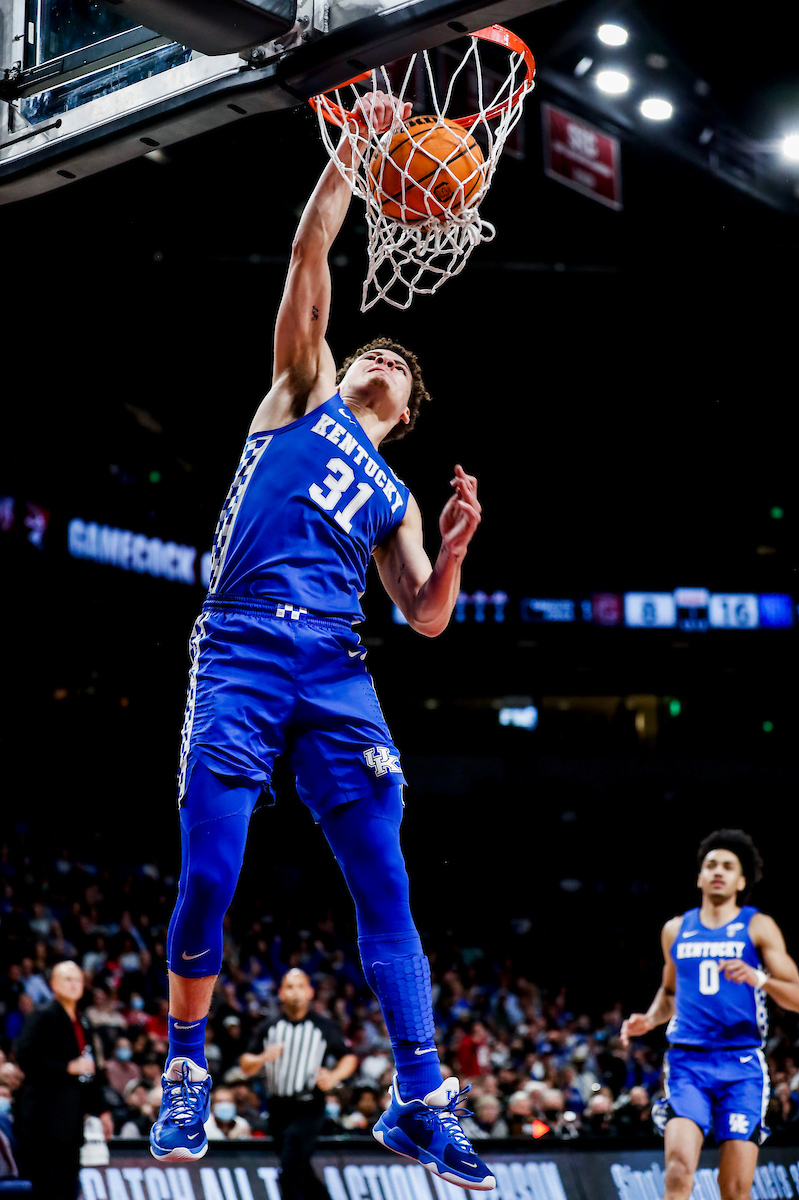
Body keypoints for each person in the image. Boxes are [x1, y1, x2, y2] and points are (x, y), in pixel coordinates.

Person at [147, 89, 492, 1190]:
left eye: (392, 361)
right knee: (210, 873)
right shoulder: (300, 391)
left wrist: (450, 549)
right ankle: (186, 1068)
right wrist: (357, 147)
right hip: (241, 647)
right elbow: (310, 248)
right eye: (369, 348)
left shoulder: (392, 487)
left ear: (406, 403)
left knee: (384, 881)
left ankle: (419, 1098)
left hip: (336, 667)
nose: (375, 354)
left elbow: (425, 620)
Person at [621, 830, 799, 1200]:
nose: (718, 871)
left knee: (734, 1190)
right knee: (677, 1171)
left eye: (728, 866)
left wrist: (760, 978)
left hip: (742, 1065)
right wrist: (650, 1019)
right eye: (711, 865)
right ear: (699, 877)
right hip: (688, 1062)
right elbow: (670, 992)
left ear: (741, 880)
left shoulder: (758, 926)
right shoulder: (675, 929)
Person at [238, 970, 357, 1200]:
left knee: (290, 1165)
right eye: (290, 987)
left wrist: (333, 1077)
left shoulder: (322, 1026)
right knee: (298, 1167)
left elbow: (349, 1057)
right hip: (277, 1107)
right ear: (281, 993)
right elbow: (245, 1064)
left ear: (310, 992)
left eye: (301, 986)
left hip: (308, 1106)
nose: (296, 993)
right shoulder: (269, 1027)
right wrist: (262, 1058)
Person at [14, 960, 112, 1199]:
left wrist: (102, 1110)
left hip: (71, 1122)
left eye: (78, 979)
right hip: (43, 1121)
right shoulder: (44, 1014)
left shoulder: (82, 1021)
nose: (74, 984)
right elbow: (24, 1056)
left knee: (69, 1188)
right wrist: (66, 1067)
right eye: (67, 979)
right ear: (53, 985)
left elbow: (88, 1072)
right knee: (49, 1189)